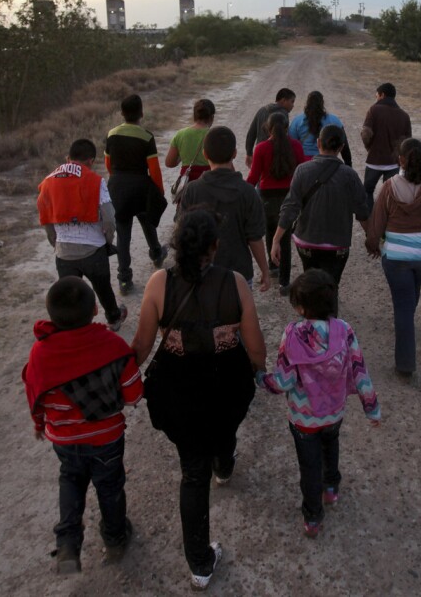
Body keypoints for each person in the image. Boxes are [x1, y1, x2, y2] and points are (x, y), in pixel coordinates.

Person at [133, 210, 268, 591]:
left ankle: (200, 564)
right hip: (226, 383)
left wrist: (123, 381)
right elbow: (255, 344)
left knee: (192, 473)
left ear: (177, 245)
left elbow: (142, 344)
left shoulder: (160, 283)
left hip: (178, 390)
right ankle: (224, 465)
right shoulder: (235, 283)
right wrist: (257, 370)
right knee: (225, 431)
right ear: (215, 246)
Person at [22, 276, 144, 574]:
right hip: (106, 440)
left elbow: (34, 393)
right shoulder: (112, 345)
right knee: (110, 486)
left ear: (52, 314)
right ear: (94, 311)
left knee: (71, 481)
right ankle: (115, 539)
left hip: (64, 440)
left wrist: (39, 424)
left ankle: (67, 542)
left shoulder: (40, 352)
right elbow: (134, 393)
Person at [256, 270, 382, 538]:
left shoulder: (292, 334)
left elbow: (284, 381)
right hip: (334, 414)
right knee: (331, 446)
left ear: (301, 307)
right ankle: (331, 489)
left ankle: (313, 517)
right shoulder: (344, 330)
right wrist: (372, 408)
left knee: (309, 466)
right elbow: (360, 371)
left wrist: (261, 379)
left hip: (304, 420)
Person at [365, 138, 421, 379]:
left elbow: (377, 222)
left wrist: (372, 244)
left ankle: (405, 364)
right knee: (411, 295)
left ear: (400, 160)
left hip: (397, 258)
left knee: (403, 307)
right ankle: (407, 325)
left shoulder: (389, 187)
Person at [37, 139, 129, 330]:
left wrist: (56, 243)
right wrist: (107, 240)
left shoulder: (47, 182)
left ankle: (72, 329)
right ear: (91, 161)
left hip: (63, 253)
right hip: (93, 250)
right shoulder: (96, 181)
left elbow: (46, 219)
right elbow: (110, 219)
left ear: (68, 158)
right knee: (103, 289)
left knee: (70, 297)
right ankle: (113, 318)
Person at [272, 124, 372, 290]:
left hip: (306, 242)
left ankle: (312, 311)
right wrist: (371, 238)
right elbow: (362, 211)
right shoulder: (350, 175)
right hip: (337, 245)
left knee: (311, 283)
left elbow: (290, 209)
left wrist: (276, 240)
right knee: (330, 286)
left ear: (318, 143)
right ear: (341, 147)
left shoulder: (302, 171)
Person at [174, 126, 271, 293]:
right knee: (237, 316)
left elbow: (181, 233)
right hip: (239, 274)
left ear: (205, 155)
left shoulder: (192, 190)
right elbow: (255, 238)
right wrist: (265, 270)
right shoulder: (248, 192)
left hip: (201, 271)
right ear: (234, 154)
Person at [105, 94, 167, 293]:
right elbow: (154, 169)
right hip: (140, 184)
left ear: (121, 113)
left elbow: (108, 164)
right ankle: (156, 253)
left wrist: (117, 180)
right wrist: (159, 192)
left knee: (123, 233)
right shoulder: (146, 136)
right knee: (147, 221)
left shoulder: (111, 134)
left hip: (117, 186)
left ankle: (124, 279)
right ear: (141, 112)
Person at [245, 111, 305, 281]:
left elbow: (253, 177)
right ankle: (284, 282)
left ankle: (273, 268)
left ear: (267, 128)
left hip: (267, 197)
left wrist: (242, 189)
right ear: (287, 128)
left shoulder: (261, 148)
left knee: (271, 232)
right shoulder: (296, 146)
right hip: (290, 196)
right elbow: (302, 172)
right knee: (285, 237)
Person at [360, 82, 412, 198]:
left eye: (377, 96)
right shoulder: (404, 116)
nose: (376, 99)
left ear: (382, 95)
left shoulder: (374, 110)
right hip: (394, 163)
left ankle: (369, 216)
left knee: (368, 191)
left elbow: (366, 133)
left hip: (374, 161)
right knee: (390, 195)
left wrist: (369, 147)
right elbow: (408, 143)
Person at [288, 90, 354, 166]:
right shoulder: (334, 120)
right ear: (322, 103)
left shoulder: (297, 121)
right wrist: (349, 164)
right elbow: (344, 145)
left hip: (303, 163)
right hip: (327, 163)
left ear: (307, 103)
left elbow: (291, 145)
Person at [165, 98, 216, 186]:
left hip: (187, 185)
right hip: (209, 184)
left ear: (194, 116)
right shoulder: (215, 135)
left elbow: (169, 163)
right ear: (211, 117)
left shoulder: (180, 134)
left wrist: (181, 157)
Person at [244, 87, 296, 167]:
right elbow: (284, 136)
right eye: (292, 102)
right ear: (283, 100)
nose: (293, 105)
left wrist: (249, 153)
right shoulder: (283, 114)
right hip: (276, 155)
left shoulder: (261, 110)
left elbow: (251, 133)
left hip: (260, 152)